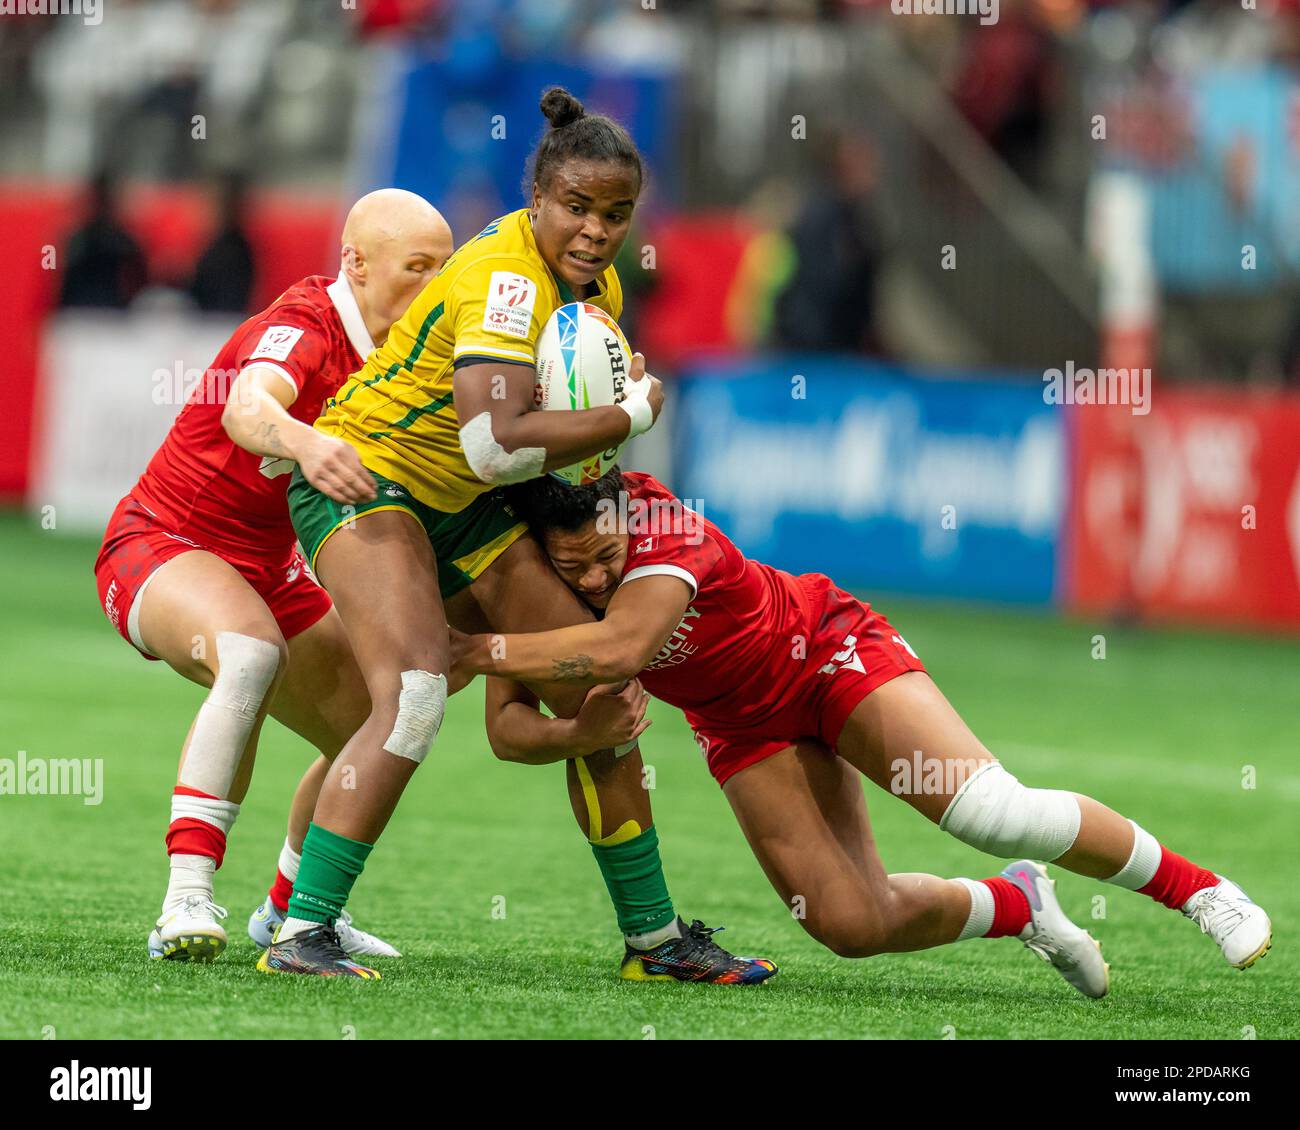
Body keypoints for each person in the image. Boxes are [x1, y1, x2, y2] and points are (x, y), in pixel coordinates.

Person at [259, 88, 776, 984]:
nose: (594, 229)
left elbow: (526, 449)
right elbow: (493, 444)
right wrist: (628, 414)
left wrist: (601, 436)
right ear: (537, 196)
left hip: (463, 503)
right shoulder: (507, 279)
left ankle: (653, 943)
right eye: (576, 206)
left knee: (598, 688)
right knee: (417, 694)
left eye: (615, 214)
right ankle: (303, 935)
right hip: (365, 480)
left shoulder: (596, 286)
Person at [451, 468, 1275, 995]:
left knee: (991, 813)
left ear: (628, 513)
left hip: (827, 654)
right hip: (742, 727)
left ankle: (1202, 891)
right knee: (849, 925)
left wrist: (471, 649)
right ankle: (1015, 904)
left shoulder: (668, 531)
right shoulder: (538, 590)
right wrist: (577, 733)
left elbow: (622, 645)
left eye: (606, 555)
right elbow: (506, 731)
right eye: (576, 568)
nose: (595, 576)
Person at [94, 188, 454, 964]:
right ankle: (185, 898)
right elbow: (248, 409)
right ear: (355, 263)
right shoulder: (304, 324)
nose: (434, 288)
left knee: (392, 717)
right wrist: (305, 443)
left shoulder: (416, 355)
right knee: (252, 652)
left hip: (270, 569)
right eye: (416, 268)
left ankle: (294, 914)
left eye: (444, 269)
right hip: (160, 542)